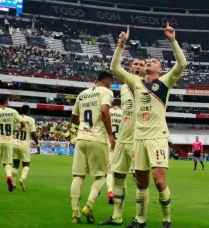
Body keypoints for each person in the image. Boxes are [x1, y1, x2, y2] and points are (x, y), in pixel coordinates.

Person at [110, 23, 186, 228]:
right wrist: (120, 45)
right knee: (141, 183)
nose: (150, 62)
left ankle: (167, 219)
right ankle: (140, 220)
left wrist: (172, 40)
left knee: (160, 182)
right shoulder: (136, 82)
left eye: (154, 61)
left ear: (160, 69)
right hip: (138, 139)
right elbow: (115, 68)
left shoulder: (164, 82)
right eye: (148, 61)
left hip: (157, 138)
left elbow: (182, 64)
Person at [100, 56, 146, 226]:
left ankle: (139, 218)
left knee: (139, 181)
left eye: (142, 65)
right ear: (130, 67)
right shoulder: (124, 86)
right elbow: (114, 66)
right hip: (122, 140)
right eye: (136, 64)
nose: (139, 67)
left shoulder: (148, 87)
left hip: (138, 140)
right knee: (118, 178)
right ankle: (117, 216)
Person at [70, 71, 115, 224]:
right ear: (108, 82)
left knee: (78, 176)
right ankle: (88, 205)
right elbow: (104, 110)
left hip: (81, 137)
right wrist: (110, 134)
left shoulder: (82, 94)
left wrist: (84, 128)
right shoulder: (107, 92)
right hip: (98, 139)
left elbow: (74, 117)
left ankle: (75, 213)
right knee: (101, 176)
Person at [12, 105, 37, 192]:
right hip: (24, 143)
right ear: (28, 111)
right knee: (26, 164)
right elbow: (33, 134)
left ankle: (13, 185)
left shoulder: (16, 119)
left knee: (15, 164)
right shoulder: (31, 120)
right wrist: (37, 144)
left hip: (14, 142)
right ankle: (22, 178)